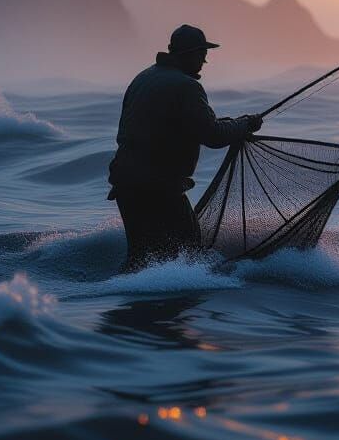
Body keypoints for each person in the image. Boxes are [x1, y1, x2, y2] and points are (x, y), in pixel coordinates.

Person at [107, 24, 262, 271]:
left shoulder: (143, 77)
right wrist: (245, 125)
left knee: (140, 259)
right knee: (189, 255)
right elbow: (212, 135)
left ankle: (124, 293)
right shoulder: (187, 86)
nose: (205, 61)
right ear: (189, 54)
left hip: (125, 184)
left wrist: (236, 124)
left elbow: (192, 125)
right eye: (202, 54)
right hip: (158, 188)